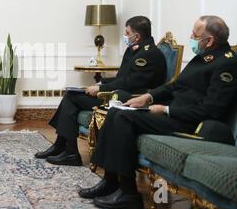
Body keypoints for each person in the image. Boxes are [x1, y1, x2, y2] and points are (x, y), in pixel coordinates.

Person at [80, 16, 237, 209]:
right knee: (117, 111)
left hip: (191, 123)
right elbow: (174, 87)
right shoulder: (202, 57)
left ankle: (129, 194)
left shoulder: (226, 64)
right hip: (173, 113)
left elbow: (211, 110)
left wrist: (166, 109)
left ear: (210, 40)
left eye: (194, 35)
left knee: (123, 118)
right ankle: (110, 181)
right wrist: (148, 97)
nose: (191, 38)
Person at [35, 16, 167, 166]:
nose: (125, 36)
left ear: (136, 36)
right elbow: (122, 78)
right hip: (122, 92)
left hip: (130, 99)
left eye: (127, 33)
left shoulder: (148, 54)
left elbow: (130, 84)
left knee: (72, 97)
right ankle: (63, 148)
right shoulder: (135, 50)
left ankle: (68, 151)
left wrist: (100, 88)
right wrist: (102, 81)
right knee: (72, 94)